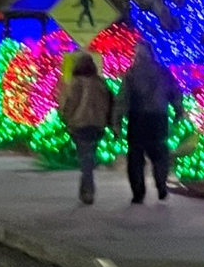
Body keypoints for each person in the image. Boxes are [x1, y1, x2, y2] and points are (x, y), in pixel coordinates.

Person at [113, 42, 183, 204]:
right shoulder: (163, 72)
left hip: (137, 119)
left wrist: (117, 121)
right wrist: (178, 110)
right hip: (158, 118)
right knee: (159, 155)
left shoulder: (131, 74)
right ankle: (161, 185)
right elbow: (175, 93)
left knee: (136, 157)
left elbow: (123, 100)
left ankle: (138, 193)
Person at [59, 53, 113, 206]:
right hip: (97, 125)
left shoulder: (75, 84)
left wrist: (65, 118)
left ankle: (88, 190)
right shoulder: (100, 83)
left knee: (85, 158)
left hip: (79, 124)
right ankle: (85, 190)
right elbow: (108, 103)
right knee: (88, 157)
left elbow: (68, 104)